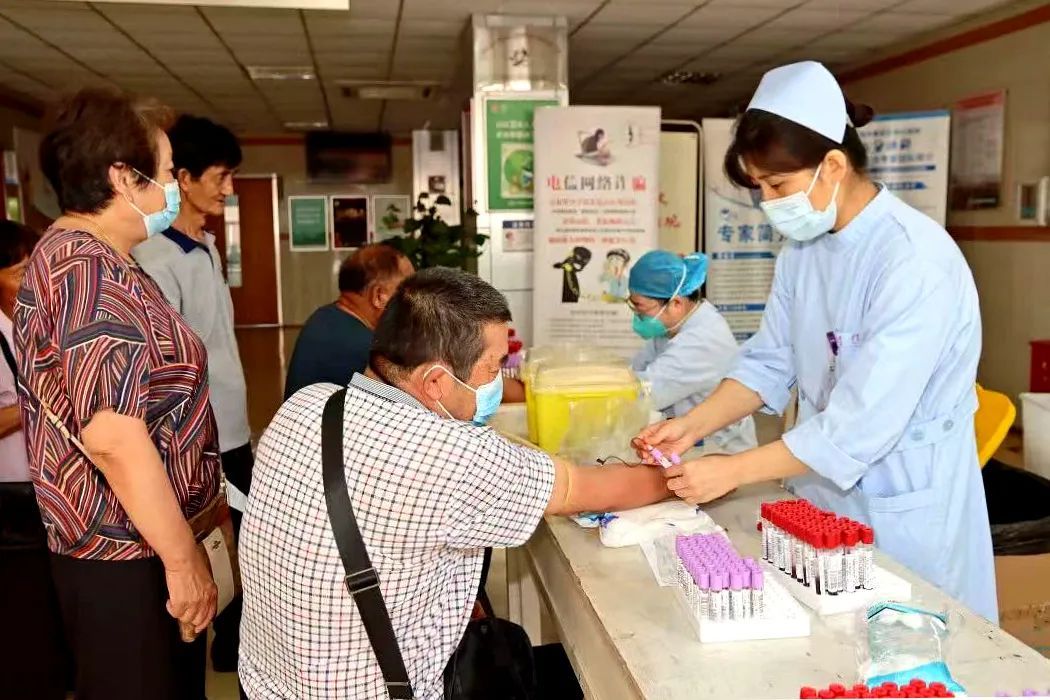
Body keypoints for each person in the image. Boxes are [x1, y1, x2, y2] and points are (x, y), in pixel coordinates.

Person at [637, 61, 997, 622]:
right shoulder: (803, 252)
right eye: (760, 187)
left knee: (908, 637)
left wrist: (731, 470)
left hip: (905, 499)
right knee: (824, 632)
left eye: (776, 185)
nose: (767, 202)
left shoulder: (914, 261)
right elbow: (768, 361)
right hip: (821, 486)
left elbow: (861, 423)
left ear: (833, 165)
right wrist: (693, 425)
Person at [240, 267, 670, 699]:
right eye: (494, 367)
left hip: (268, 682)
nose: (500, 381)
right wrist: (678, 476)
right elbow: (582, 489)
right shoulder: (450, 455)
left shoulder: (308, 403)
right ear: (436, 382)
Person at [16, 87, 222, 699]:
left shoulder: (102, 260)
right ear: (122, 178)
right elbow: (112, 436)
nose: (174, 187)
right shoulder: (86, 270)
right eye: (166, 172)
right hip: (122, 553)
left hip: (140, 542)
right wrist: (182, 560)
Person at [131, 113, 250, 672]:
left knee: (242, 546)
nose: (229, 188)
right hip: (199, 438)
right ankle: (222, 651)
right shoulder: (156, 258)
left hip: (233, 427)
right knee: (213, 547)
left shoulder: (204, 245)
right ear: (182, 177)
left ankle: (237, 649)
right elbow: (168, 369)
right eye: (221, 176)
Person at [0, 221, 69, 700]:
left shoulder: (35, 327)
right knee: (23, 612)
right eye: (20, 271)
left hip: (48, 490)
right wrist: (36, 398)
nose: (32, 282)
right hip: (11, 501)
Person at [628, 250, 757, 454]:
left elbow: (645, 395)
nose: (637, 314)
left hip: (720, 451)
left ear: (676, 303)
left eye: (639, 306)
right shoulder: (674, 325)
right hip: (689, 442)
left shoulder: (700, 342)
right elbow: (636, 372)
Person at [284, 243, 414, 399]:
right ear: (379, 296)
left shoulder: (324, 317)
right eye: (409, 290)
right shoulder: (368, 352)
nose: (414, 301)